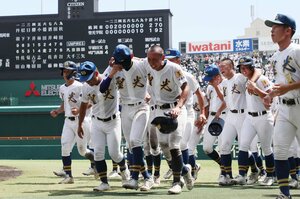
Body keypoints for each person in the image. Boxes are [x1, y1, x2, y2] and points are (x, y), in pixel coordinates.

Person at [100, 44, 154, 191]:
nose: (122, 65)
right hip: (125, 109)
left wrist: (150, 93)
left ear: (130, 57)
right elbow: (102, 88)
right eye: (119, 62)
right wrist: (112, 72)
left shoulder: (141, 64)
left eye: (124, 61)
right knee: (131, 146)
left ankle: (135, 179)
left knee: (135, 141)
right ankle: (148, 178)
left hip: (141, 106)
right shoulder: (114, 69)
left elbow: (154, 71)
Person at [147, 45, 194, 194]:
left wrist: (179, 106)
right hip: (159, 110)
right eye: (149, 59)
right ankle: (185, 170)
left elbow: (186, 87)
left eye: (155, 59)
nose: (151, 62)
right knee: (162, 145)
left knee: (174, 144)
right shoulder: (148, 67)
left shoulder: (174, 68)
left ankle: (177, 182)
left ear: (162, 58)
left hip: (175, 109)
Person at [77, 61, 130, 191]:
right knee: (98, 154)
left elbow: (120, 70)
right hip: (96, 122)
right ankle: (104, 183)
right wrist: (79, 125)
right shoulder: (85, 87)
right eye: (85, 79)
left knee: (114, 153)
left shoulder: (110, 79)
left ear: (96, 73)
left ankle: (124, 169)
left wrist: (114, 65)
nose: (87, 82)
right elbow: (83, 107)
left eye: (89, 78)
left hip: (113, 121)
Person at [263, 13, 300, 199]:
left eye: (276, 26)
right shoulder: (276, 56)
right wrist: (270, 94)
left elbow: (287, 85)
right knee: (279, 149)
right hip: (284, 108)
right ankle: (285, 194)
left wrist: (289, 87)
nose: (272, 30)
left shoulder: (297, 50)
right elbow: (279, 84)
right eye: (271, 26)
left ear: (288, 31)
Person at [164, 48, 206, 180]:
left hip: (187, 112)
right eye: (167, 59)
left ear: (178, 60)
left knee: (182, 144)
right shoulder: (164, 73)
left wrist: (203, 113)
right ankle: (187, 167)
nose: (169, 62)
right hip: (171, 112)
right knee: (168, 144)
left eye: (171, 59)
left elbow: (199, 95)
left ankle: (186, 173)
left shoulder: (188, 76)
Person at [234, 56, 275, 186]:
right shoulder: (246, 80)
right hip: (249, 117)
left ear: (252, 67)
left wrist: (255, 89)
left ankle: (271, 175)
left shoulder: (262, 79)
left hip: (263, 116)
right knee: (243, 145)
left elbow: (270, 97)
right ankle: (241, 175)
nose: (243, 69)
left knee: (266, 148)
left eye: (246, 67)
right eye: (241, 67)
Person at [50, 61, 94, 184]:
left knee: (82, 151)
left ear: (74, 72)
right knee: (65, 146)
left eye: (67, 71)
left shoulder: (81, 86)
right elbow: (64, 105)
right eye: (64, 70)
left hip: (82, 121)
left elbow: (91, 102)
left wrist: (79, 110)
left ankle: (95, 162)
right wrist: (57, 111)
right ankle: (69, 176)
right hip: (68, 121)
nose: (65, 73)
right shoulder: (62, 88)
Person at [202, 64, 227, 180]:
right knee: (207, 148)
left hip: (224, 116)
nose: (209, 81)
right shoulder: (209, 87)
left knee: (223, 148)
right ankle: (223, 165)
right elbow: (208, 103)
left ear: (217, 76)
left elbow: (226, 101)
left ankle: (224, 172)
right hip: (212, 117)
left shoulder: (227, 83)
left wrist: (216, 86)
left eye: (211, 78)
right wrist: (204, 117)